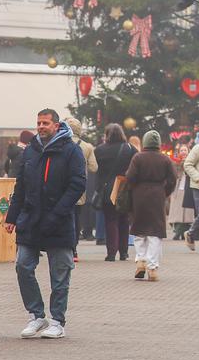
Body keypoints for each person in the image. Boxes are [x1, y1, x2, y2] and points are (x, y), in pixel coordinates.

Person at [6, 109, 86, 339]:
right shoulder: (31, 150)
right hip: (30, 219)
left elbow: (77, 185)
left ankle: (57, 321)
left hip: (59, 222)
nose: (41, 126)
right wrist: (12, 216)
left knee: (60, 274)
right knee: (23, 266)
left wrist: (58, 212)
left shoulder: (71, 150)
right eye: (39, 123)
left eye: (46, 123)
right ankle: (36, 316)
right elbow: (20, 186)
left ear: (56, 125)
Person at [125, 131, 176, 282]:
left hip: (139, 196)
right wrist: (164, 192)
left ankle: (140, 261)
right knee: (155, 232)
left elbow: (130, 177)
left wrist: (134, 189)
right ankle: (152, 268)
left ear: (145, 142)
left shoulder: (138, 157)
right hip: (157, 196)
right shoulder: (165, 159)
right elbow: (172, 179)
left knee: (139, 230)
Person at [94, 123, 136, 262]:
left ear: (107, 135)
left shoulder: (100, 150)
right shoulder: (129, 148)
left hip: (107, 189)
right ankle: (124, 252)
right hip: (124, 188)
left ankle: (111, 253)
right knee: (124, 220)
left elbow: (96, 169)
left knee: (110, 220)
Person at [65, 118, 98, 263]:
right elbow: (93, 168)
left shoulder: (59, 144)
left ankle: (64, 247)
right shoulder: (87, 147)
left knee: (63, 215)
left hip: (60, 186)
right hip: (79, 187)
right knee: (76, 216)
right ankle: (74, 248)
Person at [168, 142, 194, 240]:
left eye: (185, 150)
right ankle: (178, 231)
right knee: (177, 211)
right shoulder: (175, 162)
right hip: (178, 188)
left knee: (187, 212)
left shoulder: (192, 161)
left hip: (189, 188)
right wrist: (179, 164)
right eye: (181, 150)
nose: (183, 152)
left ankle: (183, 232)